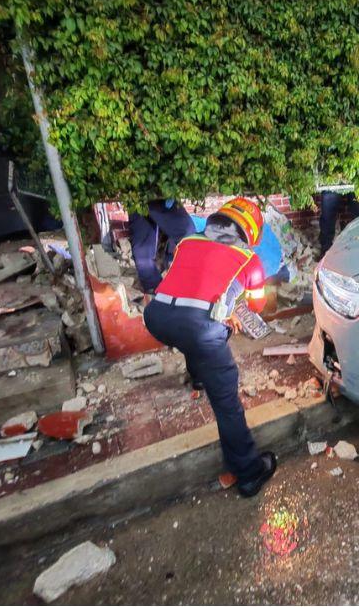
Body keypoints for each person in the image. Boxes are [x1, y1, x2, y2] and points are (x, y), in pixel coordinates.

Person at [143, 197, 277, 497]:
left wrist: (223, 305)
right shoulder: (249, 261)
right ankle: (250, 473)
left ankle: (198, 376)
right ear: (249, 233)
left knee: (197, 333)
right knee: (227, 403)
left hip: (156, 316)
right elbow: (256, 304)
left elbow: (188, 285)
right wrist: (234, 305)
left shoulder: (187, 242)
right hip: (197, 329)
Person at [128, 199, 196, 292]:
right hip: (158, 195)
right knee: (188, 236)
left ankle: (154, 289)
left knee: (142, 250)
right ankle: (188, 284)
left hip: (134, 197)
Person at [319, 189, 359, 256]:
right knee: (328, 214)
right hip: (333, 181)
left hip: (353, 182)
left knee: (358, 213)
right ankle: (326, 249)